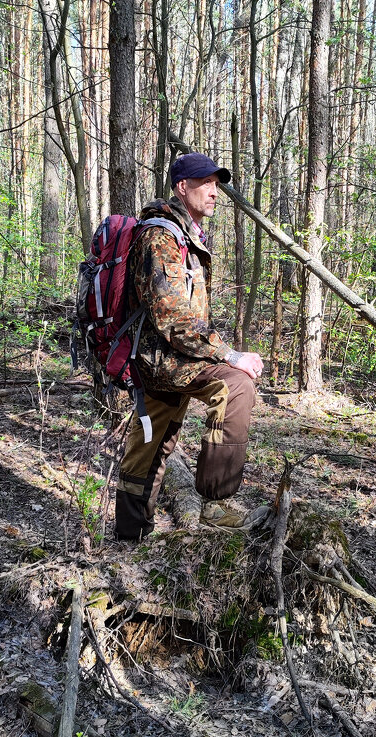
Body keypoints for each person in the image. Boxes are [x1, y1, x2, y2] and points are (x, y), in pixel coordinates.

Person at [115, 152, 266, 541]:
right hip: (162, 360)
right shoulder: (160, 238)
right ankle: (216, 505)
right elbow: (173, 318)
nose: (215, 192)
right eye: (206, 184)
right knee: (236, 385)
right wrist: (230, 355)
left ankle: (130, 538)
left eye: (217, 185)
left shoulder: (186, 236)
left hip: (167, 357)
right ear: (183, 187)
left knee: (148, 448)